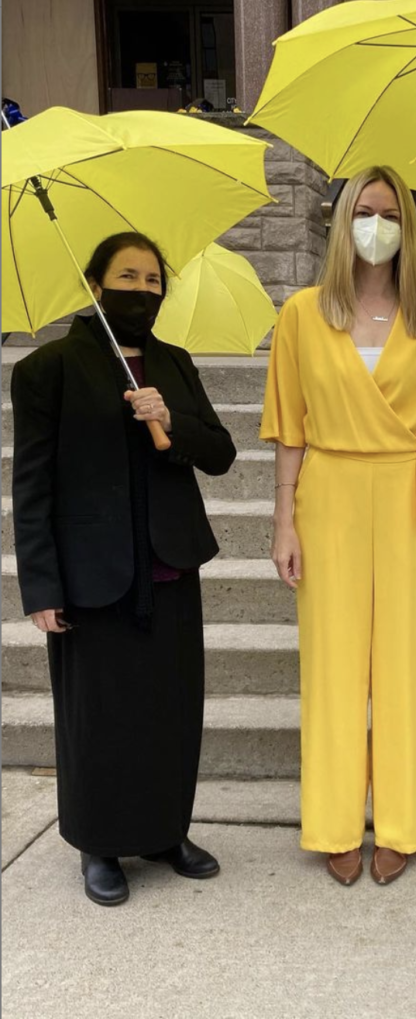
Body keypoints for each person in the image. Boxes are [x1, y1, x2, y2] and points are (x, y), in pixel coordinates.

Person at [261, 165, 416, 887]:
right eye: (363, 210)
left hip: (408, 489)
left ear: (408, 227)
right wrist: (283, 518)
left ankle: (406, 819)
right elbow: (290, 424)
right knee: (333, 662)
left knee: (407, 661)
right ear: (342, 219)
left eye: (389, 212)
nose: (375, 224)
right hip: (329, 490)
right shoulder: (302, 313)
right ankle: (333, 819)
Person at [12, 232, 236, 906]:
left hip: (168, 564)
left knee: (168, 708)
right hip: (92, 575)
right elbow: (33, 486)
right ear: (95, 281)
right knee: (99, 715)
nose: (142, 290)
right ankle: (99, 842)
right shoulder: (47, 369)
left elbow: (219, 452)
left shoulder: (173, 361)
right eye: (127, 276)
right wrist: (41, 585)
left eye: (152, 279)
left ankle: (166, 830)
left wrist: (169, 418)